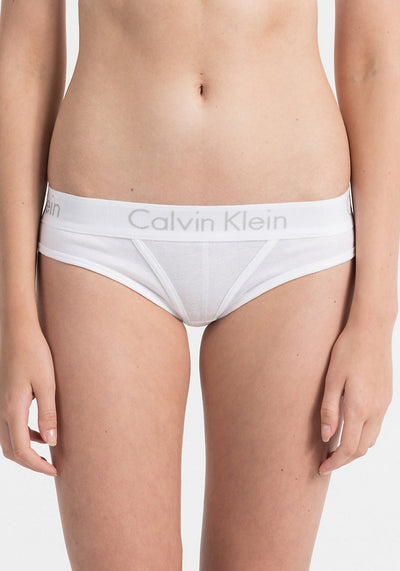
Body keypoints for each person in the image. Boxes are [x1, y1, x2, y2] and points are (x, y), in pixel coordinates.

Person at [0, 1, 398, 569]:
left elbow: (375, 60)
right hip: (103, 239)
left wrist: (376, 320)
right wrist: (15, 319)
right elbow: (25, 57)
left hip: (293, 243)